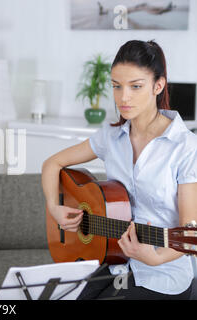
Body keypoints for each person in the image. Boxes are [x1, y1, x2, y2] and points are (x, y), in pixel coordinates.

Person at [42, 40, 196, 300]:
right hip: (113, 262)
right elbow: (51, 164)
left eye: (136, 86)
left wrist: (155, 257)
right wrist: (54, 208)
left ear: (158, 86)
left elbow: (190, 234)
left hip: (163, 274)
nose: (123, 97)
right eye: (116, 86)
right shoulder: (110, 137)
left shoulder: (186, 147)